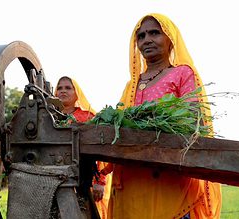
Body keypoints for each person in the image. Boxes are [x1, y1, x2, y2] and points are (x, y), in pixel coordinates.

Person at [105, 13, 222, 218]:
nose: (146, 40)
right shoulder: (131, 86)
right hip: (133, 184)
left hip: (170, 182)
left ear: (169, 38)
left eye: (154, 33)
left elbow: (191, 120)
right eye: (141, 36)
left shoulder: (182, 74)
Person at [55, 76, 111, 218]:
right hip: (53, 179)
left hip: (82, 181)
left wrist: (99, 182)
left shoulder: (87, 117)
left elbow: (100, 151)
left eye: (68, 88)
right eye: (59, 88)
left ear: (76, 93)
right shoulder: (48, 117)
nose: (63, 91)